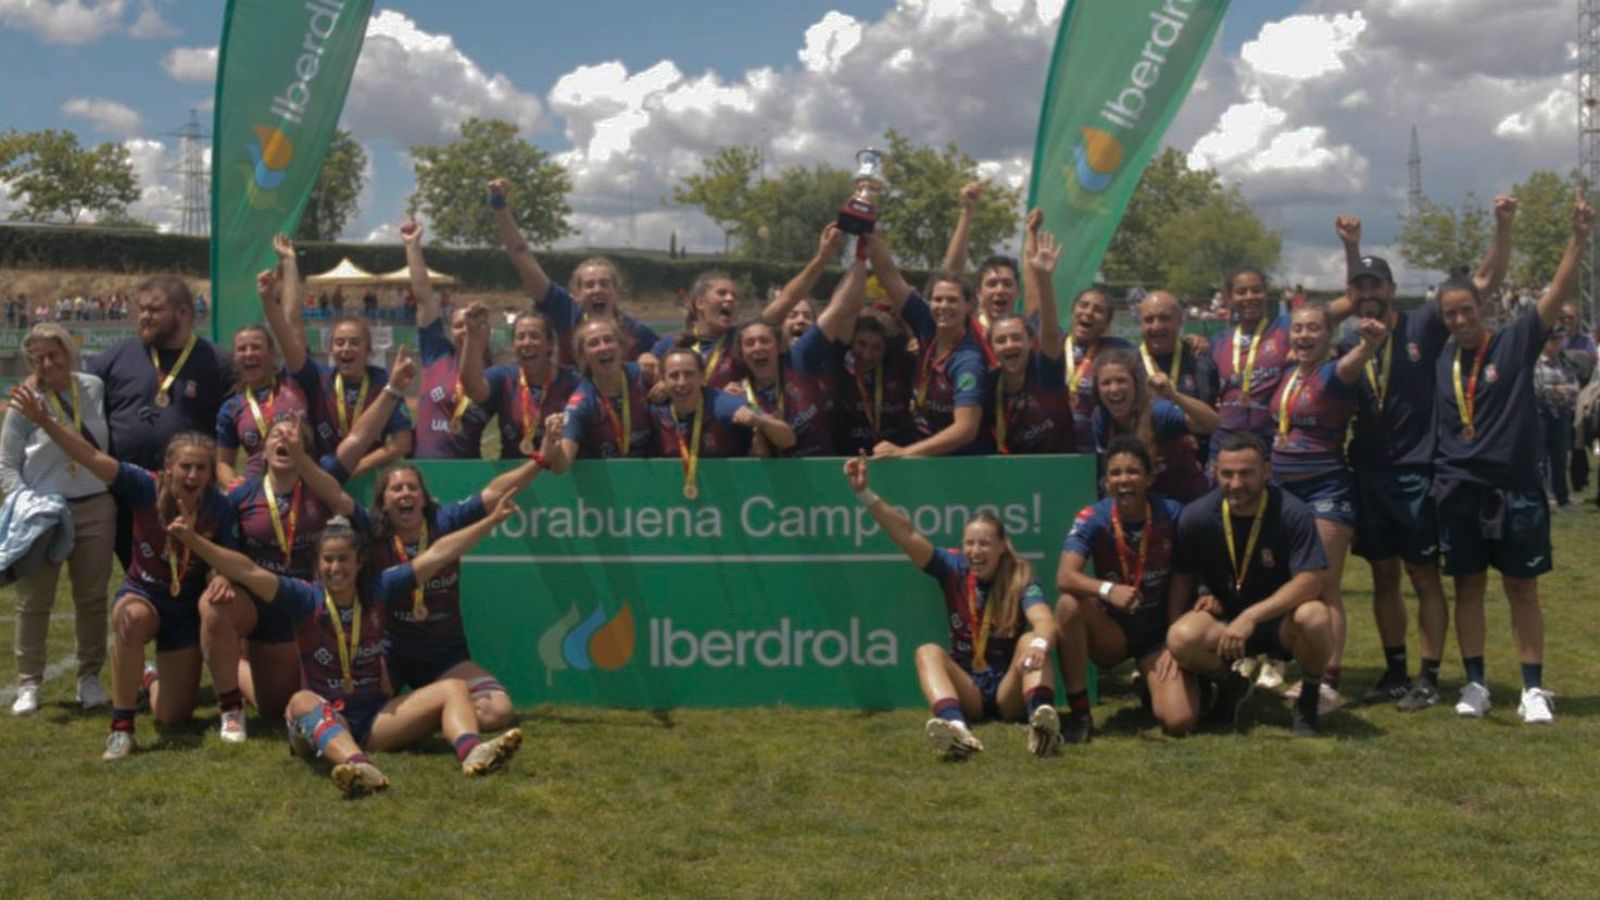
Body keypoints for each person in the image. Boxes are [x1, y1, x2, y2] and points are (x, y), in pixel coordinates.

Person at [167, 505, 524, 796]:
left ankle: (472, 752)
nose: (335, 568)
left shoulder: (380, 589)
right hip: (323, 717)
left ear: (359, 563)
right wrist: (193, 539)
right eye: (327, 561)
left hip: (374, 718)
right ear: (318, 564)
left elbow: (440, 554)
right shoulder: (303, 597)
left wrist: (490, 520)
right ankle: (359, 766)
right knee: (300, 701)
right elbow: (244, 569)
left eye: (342, 560)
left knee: (454, 689)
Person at [1331, 205, 1511, 709]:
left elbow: (1482, 280)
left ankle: (1429, 678)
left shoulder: (1423, 326)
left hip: (1416, 471)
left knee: (1422, 574)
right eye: (1359, 286)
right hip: (1368, 471)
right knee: (1383, 574)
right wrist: (1351, 246)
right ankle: (1394, 672)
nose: (1367, 293)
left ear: (1390, 290)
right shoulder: (1350, 341)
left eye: (1376, 285)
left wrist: (1501, 227)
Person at [7, 399, 239, 760]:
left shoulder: (218, 506)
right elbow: (89, 457)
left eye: (201, 469)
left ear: (211, 473)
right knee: (131, 621)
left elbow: (230, 555)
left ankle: (147, 678)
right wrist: (47, 424)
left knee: (173, 716)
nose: (192, 476)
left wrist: (222, 575)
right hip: (143, 593)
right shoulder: (144, 486)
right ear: (168, 466)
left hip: (184, 611)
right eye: (185, 467)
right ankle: (121, 728)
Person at [1432, 198, 1591, 724]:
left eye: (1466, 311)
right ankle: (1475, 683)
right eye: (1451, 314)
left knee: (1523, 587)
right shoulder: (1439, 360)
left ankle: (1533, 689)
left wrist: (1578, 237)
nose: (1459, 320)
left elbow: (1557, 293)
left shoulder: (1516, 343)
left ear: (1484, 310)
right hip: (1460, 488)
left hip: (1516, 487)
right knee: (1468, 587)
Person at [216, 349, 417, 731]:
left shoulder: (322, 479)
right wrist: (220, 577)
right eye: (276, 434)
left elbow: (361, 437)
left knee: (281, 707)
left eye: (292, 437)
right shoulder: (243, 494)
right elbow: (225, 548)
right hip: (263, 604)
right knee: (213, 606)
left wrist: (391, 389)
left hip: (309, 609)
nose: (284, 440)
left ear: (304, 451)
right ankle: (230, 707)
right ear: (263, 448)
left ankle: (238, 668)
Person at [844, 454, 1062, 759]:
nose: (975, 551)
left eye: (984, 544)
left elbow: (1044, 620)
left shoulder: (1019, 575)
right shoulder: (953, 567)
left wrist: (1039, 643)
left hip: (1007, 690)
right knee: (927, 652)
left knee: (1030, 640)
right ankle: (957, 730)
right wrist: (864, 494)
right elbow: (907, 535)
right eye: (970, 543)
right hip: (969, 685)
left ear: (1001, 546)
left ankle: (1041, 730)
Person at [1162, 433, 1334, 737]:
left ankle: (1308, 698)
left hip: (1280, 623)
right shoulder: (1197, 516)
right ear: (1215, 470)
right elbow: (1183, 575)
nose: (1236, 483)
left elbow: (1312, 579)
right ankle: (1231, 686)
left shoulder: (1292, 512)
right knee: (1180, 638)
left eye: (1246, 473)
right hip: (1225, 625)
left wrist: (1252, 616)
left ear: (1267, 471)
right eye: (1227, 474)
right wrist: (1177, 625)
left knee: (1316, 616)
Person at [359, 457, 547, 732]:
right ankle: (436, 708)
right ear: (384, 502)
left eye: (412, 487)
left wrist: (540, 460)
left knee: (497, 712)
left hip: (444, 655)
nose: (405, 494)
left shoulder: (444, 521)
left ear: (423, 498)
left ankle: (427, 709)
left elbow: (494, 493)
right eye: (396, 489)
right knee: (360, 708)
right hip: (392, 651)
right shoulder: (372, 533)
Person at [1270, 304, 1387, 712]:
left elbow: (1353, 365)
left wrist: (1368, 345)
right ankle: (1299, 666)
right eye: (1298, 329)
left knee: (1323, 585)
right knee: (1289, 583)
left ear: (1328, 335)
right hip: (1283, 493)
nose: (1304, 336)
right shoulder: (1289, 375)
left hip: (1326, 492)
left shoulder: (1334, 372)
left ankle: (1327, 683)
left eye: (1314, 329)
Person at [1, 324, 117, 715]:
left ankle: (89, 679)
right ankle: (29, 683)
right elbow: (6, 465)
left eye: (55, 354)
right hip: (43, 512)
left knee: (91, 599)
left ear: (69, 352)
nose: (48, 363)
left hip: (95, 507)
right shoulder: (23, 400)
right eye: (38, 358)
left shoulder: (93, 388)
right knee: (34, 602)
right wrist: (27, 502)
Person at [87, 274, 232, 568]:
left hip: (190, 493)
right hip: (125, 494)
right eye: (141, 309)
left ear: (183, 312)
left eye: (154, 310)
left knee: (190, 576)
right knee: (137, 573)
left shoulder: (216, 361)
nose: (144, 317)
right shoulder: (120, 354)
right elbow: (75, 389)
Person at [1056, 437, 1190, 741]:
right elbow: (1065, 576)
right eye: (1115, 473)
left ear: (1149, 478)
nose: (1124, 480)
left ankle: (1161, 681)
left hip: (1157, 637)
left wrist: (1174, 637)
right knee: (1068, 604)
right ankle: (1080, 714)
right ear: (1106, 481)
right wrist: (1107, 590)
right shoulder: (1093, 517)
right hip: (1113, 633)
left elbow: (1191, 573)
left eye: (1133, 472)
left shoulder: (1173, 514)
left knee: (1179, 721)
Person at [263, 235, 414, 478]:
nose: (346, 349)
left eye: (355, 343)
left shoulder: (383, 384)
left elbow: (402, 442)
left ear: (369, 350)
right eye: (339, 342)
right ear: (331, 349)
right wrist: (290, 264)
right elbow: (293, 325)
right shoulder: (318, 379)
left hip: (367, 482)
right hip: (319, 481)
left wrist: (355, 468)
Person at [489, 178, 659, 367]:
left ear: (617, 291)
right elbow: (522, 257)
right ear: (576, 295)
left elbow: (672, 356)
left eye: (604, 284)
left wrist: (652, 359)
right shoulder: (565, 311)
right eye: (589, 285)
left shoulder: (637, 333)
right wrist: (500, 207)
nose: (597, 290)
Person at [865, 240, 991, 456]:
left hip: (963, 467)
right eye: (937, 299)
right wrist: (869, 230)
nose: (943, 306)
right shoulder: (927, 324)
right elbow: (888, 275)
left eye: (952, 300)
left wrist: (905, 453)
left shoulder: (968, 361)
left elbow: (965, 429)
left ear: (969, 305)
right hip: (928, 459)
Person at [403, 217, 494, 459]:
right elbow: (423, 297)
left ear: (486, 330)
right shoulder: (437, 354)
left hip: (467, 474)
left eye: (472, 324)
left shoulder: (497, 375)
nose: (465, 329)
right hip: (424, 470)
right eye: (458, 325)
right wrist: (412, 246)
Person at [651, 341, 793, 495]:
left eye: (689, 374)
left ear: (702, 376)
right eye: (674, 375)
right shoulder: (656, 410)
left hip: (730, 499)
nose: (682, 382)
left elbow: (788, 438)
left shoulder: (727, 404)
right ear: (662, 380)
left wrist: (761, 421)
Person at [987, 213, 1073, 455]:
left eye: (1016, 338)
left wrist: (1044, 278)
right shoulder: (989, 385)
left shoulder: (1046, 372)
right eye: (1001, 340)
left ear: (1030, 342)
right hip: (1016, 479)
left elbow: (1048, 332)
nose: (1009, 344)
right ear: (991, 347)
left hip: (1060, 474)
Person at [1092, 349, 1218, 503]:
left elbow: (1212, 424)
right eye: (1106, 383)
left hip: (1185, 503)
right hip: (1143, 506)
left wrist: (1174, 395)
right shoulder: (1101, 419)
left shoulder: (1158, 412)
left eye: (1121, 381)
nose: (1114, 389)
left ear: (1136, 385)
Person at [459, 309, 582, 461]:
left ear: (550, 344)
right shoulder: (503, 377)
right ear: (513, 345)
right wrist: (472, 335)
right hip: (514, 477)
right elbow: (473, 389)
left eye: (535, 336)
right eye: (520, 337)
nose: (527, 343)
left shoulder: (572, 383)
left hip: (561, 476)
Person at [1207, 267, 1291, 472]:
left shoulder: (1285, 328)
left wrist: (1350, 245)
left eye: (1256, 290)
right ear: (1229, 298)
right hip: (1224, 443)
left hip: (1268, 443)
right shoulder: (1216, 342)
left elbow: (1343, 306)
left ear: (1266, 294)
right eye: (1241, 291)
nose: (1249, 297)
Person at [545, 318, 656, 469]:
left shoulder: (644, 376)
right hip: (605, 486)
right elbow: (561, 466)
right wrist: (552, 440)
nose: (603, 347)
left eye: (608, 340)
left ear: (621, 346)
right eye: (593, 343)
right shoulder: (581, 402)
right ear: (583, 356)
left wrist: (667, 385)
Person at [214, 318, 310, 486]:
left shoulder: (295, 383)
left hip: (303, 486)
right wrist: (234, 485)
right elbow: (223, 463)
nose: (249, 353)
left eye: (256, 347)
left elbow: (293, 324)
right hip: (258, 491)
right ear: (234, 358)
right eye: (241, 349)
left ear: (272, 353)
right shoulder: (231, 408)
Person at [1056, 286, 1133, 452]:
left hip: (1099, 446)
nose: (1089, 312)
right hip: (1055, 445)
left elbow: (1152, 355)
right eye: (1083, 305)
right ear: (1072, 312)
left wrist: (1191, 342)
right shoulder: (1054, 347)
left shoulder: (1119, 350)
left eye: (1098, 310)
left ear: (1106, 324)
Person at [940, 180, 1019, 336]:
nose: (1000, 290)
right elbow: (952, 275)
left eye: (1007, 284)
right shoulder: (968, 328)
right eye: (992, 284)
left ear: (1018, 292)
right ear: (978, 293)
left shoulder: (1024, 334)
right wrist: (967, 211)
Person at [651, 272, 744, 390]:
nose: (730, 298)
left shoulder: (741, 340)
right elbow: (646, 363)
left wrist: (742, 388)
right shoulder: (672, 342)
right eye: (721, 293)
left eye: (733, 295)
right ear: (700, 303)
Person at [1535, 329, 1580, 508]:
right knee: (1541, 456)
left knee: (1560, 456)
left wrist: (1565, 389)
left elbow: (1574, 385)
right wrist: (1556, 390)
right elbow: (1536, 387)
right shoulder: (1536, 362)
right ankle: (1544, 494)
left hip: (1561, 413)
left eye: (1560, 338)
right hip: (1541, 413)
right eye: (1553, 338)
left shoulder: (1564, 361)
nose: (1557, 342)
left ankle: (1563, 497)